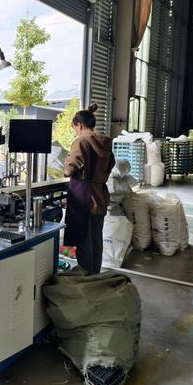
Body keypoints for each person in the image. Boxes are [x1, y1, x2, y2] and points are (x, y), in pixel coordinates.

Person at [63, 103, 115, 275]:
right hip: (100, 197)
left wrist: (66, 162)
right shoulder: (105, 143)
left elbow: (70, 169)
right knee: (96, 242)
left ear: (79, 125)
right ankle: (95, 277)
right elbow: (110, 165)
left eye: (75, 128)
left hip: (84, 199)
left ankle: (86, 280)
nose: (75, 132)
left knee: (84, 242)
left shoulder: (81, 142)